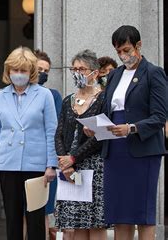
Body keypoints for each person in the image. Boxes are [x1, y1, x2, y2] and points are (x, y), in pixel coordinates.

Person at [85, 25, 167, 239]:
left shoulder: (154, 73)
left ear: (138, 45)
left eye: (127, 50)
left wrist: (131, 128)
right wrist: (94, 127)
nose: (123, 56)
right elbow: (107, 111)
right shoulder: (114, 76)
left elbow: (159, 116)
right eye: (118, 51)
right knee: (120, 212)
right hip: (115, 148)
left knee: (142, 213)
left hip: (142, 148)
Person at [0, 46, 57, 240]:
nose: (18, 74)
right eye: (15, 70)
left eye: (23, 70)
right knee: (12, 219)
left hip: (36, 165)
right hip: (7, 164)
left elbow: (51, 131)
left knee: (35, 221)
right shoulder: (0, 96)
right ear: (8, 71)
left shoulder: (44, 95)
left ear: (31, 72)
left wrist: (51, 164)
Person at [54, 50, 107, 240]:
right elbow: (59, 134)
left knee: (95, 224)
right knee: (76, 225)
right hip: (70, 169)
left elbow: (101, 136)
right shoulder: (68, 100)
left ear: (95, 72)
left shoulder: (103, 98)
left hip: (94, 167)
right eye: (74, 69)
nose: (77, 73)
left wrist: (74, 158)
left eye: (82, 69)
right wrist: (64, 162)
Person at [34, 49, 62, 240]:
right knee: (21, 211)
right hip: (21, 160)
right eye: (39, 68)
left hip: (46, 161)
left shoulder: (52, 95)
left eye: (46, 71)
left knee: (43, 211)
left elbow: (56, 129)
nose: (43, 73)